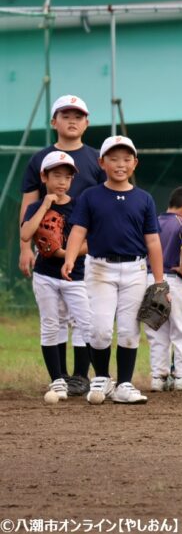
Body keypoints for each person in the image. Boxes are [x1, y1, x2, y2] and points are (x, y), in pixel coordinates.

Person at [62, 136, 165, 404]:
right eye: (114, 158)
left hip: (135, 269)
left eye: (126, 159)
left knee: (130, 330)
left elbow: (152, 241)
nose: (120, 164)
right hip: (100, 269)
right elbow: (78, 230)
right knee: (100, 329)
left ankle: (126, 385)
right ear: (102, 163)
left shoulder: (144, 199)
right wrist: (70, 258)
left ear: (135, 164)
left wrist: (159, 280)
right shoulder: (90, 196)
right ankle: (104, 377)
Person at [18, 95, 104, 392]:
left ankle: (81, 376)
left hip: (85, 252)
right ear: (54, 121)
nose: (72, 120)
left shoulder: (96, 158)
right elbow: (29, 203)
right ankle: (60, 377)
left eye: (78, 115)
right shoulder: (39, 158)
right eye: (65, 115)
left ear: (87, 123)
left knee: (82, 316)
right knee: (54, 319)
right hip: (47, 260)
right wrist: (24, 247)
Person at [20, 151, 91, 402]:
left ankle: (81, 377)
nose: (62, 181)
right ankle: (58, 379)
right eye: (56, 175)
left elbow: (88, 241)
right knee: (51, 325)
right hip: (45, 276)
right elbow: (26, 233)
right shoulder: (34, 206)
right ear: (44, 177)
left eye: (67, 177)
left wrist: (66, 253)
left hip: (76, 274)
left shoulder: (80, 205)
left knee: (85, 323)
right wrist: (45, 205)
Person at [147, 186, 182, 393]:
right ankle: (181, 377)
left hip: (150, 280)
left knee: (157, 332)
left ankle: (158, 378)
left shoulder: (154, 221)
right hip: (173, 279)